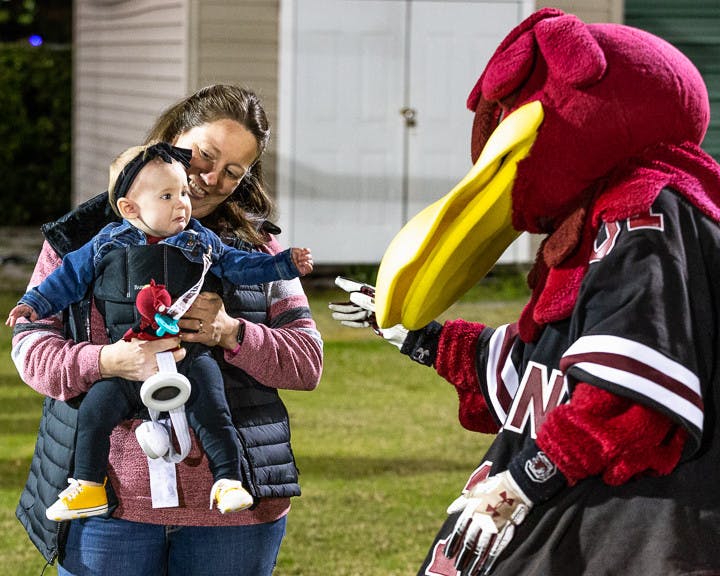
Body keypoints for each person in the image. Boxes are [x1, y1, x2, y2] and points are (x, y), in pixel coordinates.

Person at [331, 8, 720, 576]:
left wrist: (523, 482)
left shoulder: (643, 215)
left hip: (628, 526)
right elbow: (542, 373)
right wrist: (421, 338)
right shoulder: (595, 225)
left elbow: (628, 396)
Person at [12, 84, 323, 576]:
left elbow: (307, 361)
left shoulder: (255, 251)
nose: (210, 179)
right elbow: (30, 347)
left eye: (233, 173)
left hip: (236, 516)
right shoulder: (82, 241)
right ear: (172, 138)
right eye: (204, 155)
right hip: (109, 509)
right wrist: (105, 362)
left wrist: (230, 332)